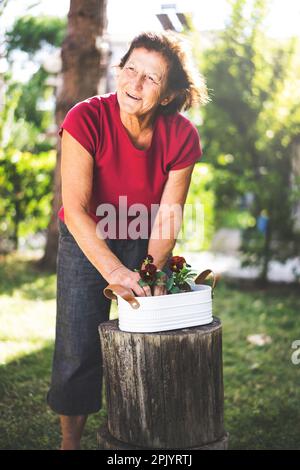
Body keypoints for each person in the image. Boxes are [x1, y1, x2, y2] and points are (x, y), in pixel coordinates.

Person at [47, 30, 209, 450]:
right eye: (130, 69)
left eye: (151, 79)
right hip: (87, 237)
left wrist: (150, 270)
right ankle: (70, 445)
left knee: (147, 337)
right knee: (79, 345)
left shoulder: (182, 137)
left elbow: (168, 215)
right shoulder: (85, 118)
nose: (134, 84)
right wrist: (114, 270)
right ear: (119, 70)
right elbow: (77, 209)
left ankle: (140, 439)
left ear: (170, 94)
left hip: (143, 234)